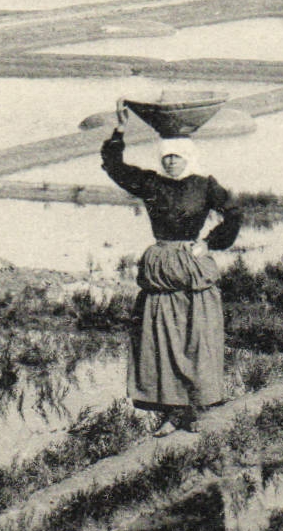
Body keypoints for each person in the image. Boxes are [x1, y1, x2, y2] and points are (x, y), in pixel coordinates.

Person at [102, 100, 243, 434]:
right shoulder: (151, 184)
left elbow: (234, 212)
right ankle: (169, 413)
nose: (172, 163)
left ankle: (196, 409)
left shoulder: (204, 184)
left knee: (196, 339)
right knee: (161, 339)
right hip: (162, 267)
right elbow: (113, 166)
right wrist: (119, 129)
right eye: (167, 157)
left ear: (188, 156)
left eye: (177, 157)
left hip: (192, 269)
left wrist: (209, 242)